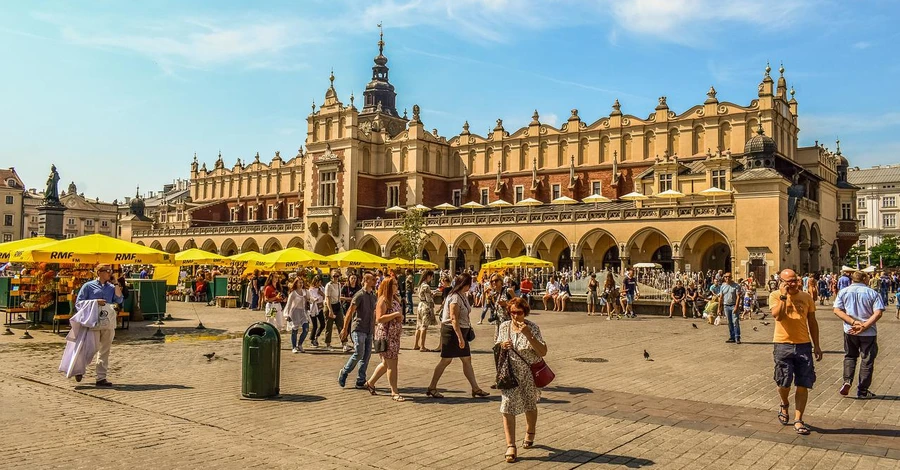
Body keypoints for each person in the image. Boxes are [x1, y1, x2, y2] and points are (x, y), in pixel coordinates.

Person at [769, 269, 822, 436]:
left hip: (803, 345)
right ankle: (784, 403)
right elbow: (777, 316)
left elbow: (812, 322)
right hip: (782, 344)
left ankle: (799, 419)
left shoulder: (806, 297)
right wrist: (784, 296)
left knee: (803, 383)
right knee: (783, 382)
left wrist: (817, 345)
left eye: (795, 280)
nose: (793, 283)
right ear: (781, 282)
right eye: (789, 281)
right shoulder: (775, 295)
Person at [496, 297, 548, 463]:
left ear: (525, 312)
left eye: (519, 313)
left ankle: (530, 431)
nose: (515, 316)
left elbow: (543, 351)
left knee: (529, 404)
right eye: (512, 312)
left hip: (529, 373)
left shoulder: (532, 327)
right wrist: (502, 345)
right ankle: (511, 445)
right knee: (507, 406)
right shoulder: (504, 326)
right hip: (510, 372)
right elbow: (496, 346)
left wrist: (528, 334)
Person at [426, 273, 490, 399]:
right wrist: (460, 337)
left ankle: (475, 388)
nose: (470, 287)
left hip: (461, 330)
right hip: (452, 331)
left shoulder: (463, 295)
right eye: (469, 285)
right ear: (464, 284)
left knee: (466, 359)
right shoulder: (454, 297)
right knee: (446, 360)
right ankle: (432, 387)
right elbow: (453, 318)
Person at [69, 264, 123, 386]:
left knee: (105, 349)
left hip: (108, 320)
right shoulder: (88, 286)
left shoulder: (111, 287)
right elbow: (79, 303)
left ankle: (101, 377)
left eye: (110, 271)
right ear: (99, 272)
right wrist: (95, 302)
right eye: (107, 271)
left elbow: (119, 299)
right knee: (91, 348)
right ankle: (79, 368)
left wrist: (115, 283)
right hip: (93, 321)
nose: (110, 273)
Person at [832, 271, 884, 399]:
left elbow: (837, 310)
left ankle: (847, 381)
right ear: (865, 279)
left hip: (850, 330)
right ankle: (862, 390)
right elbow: (878, 313)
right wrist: (864, 325)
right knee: (867, 360)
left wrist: (853, 322)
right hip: (868, 332)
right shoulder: (872, 293)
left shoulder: (843, 292)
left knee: (850, 356)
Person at [363, 277, 405, 401]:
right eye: (394, 285)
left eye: (397, 284)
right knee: (392, 363)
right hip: (386, 336)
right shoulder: (383, 300)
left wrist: (399, 317)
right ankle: (394, 392)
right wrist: (395, 315)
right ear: (388, 286)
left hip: (394, 335)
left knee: (386, 363)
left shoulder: (395, 299)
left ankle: (370, 383)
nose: (397, 287)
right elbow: (379, 319)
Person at [339, 273, 378, 389]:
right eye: (373, 279)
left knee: (366, 356)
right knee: (359, 353)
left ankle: (360, 380)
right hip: (358, 328)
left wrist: (375, 328)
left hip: (369, 329)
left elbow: (374, 313)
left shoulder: (373, 295)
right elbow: (350, 312)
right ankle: (344, 372)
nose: (375, 281)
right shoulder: (359, 295)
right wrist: (345, 329)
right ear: (366, 280)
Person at [283, 277, 310, 353]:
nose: (301, 284)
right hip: (295, 312)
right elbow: (288, 305)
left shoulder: (305, 292)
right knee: (295, 330)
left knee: (306, 329)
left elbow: (310, 299)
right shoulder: (293, 293)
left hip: (303, 312)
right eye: (299, 283)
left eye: (302, 282)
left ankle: (300, 344)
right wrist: (287, 314)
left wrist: (309, 299)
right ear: (296, 284)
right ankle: (294, 347)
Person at [415, 270, 438, 352]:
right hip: (425, 306)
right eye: (431, 277)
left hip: (420, 305)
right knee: (424, 327)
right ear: (428, 276)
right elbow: (428, 299)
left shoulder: (420, 285)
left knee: (418, 326)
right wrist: (433, 295)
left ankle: (416, 344)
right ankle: (422, 346)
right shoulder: (426, 286)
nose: (431, 279)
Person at [323, 271, 346, 352]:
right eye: (334, 276)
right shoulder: (328, 285)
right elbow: (328, 299)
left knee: (341, 325)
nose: (335, 277)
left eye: (337, 276)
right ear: (331, 276)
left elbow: (339, 297)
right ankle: (328, 344)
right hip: (329, 306)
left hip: (337, 305)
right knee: (329, 326)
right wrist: (330, 311)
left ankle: (344, 344)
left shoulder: (339, 284)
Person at [339, 274, 362, 353]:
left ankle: (355, 343)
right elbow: (340, 297)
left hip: (356, 310)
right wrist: (349, 299)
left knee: (354, 326)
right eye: (352, 278)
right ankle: (344, 343)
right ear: (349, 279)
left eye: (355, 278)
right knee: (347, 326)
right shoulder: (345, 287)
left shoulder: (358, 288)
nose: (353, 280)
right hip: (346, 308)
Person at [718, 273, 742, 344]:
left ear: (731, 277)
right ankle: (732, 337)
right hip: (726, 306)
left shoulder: (736, 286)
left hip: (733, 305)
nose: (727, 278)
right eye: (725, 277)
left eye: (728, 277)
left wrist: (736, 307)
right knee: (729, 322)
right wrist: (719, 308)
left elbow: (738, 297)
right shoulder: (723, 286)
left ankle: (737, 337)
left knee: (735, 321)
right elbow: (721, 297)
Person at [308, 277, 326, 347]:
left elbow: (325, 297)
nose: (319, 284)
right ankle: (312, 340)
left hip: (320, 308)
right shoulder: (311, 290)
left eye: (320, 282)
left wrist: (322, 294)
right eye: (318, 282)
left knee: (322, 324)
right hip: (313, 309)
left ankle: (316, 336)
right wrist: (314, 299)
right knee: (315, 325)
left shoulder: (322, 288)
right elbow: (310, 299)